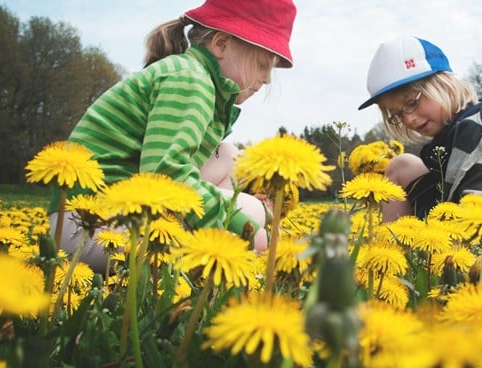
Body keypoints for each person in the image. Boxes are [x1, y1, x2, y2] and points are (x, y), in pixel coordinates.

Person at [48, 0, 296, 272]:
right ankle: (224, 249)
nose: (267, 79)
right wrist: (239, 222)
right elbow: (162, 175)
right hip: (88, 226)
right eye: (263, 64)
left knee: (228, 156)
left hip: (92, 215)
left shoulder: (189, 73)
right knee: (251, 213)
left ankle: (221, 241)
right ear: (221, 44)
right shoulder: (191, 82)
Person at [358, 36, 482, 222]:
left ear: (444, 84)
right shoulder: (450, 136)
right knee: (401, 166)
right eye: (398, 114)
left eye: (412, 102)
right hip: (456, 215)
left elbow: (480, 220)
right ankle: (392, 243)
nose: (409, 119)